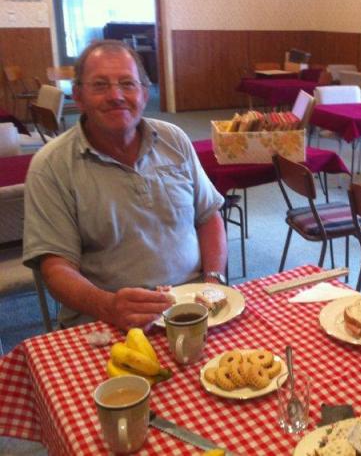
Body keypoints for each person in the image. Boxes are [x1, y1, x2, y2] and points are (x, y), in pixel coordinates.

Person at [23, 40, 228, 331]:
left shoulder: (175, 140)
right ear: (78, 97)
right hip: (105, 321)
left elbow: (208, 215)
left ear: (145, 94)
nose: (116, 95)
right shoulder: (51, 165)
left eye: (127, 84)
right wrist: (106, 305)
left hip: (193, 307)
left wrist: (214, 282)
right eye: (100, 85)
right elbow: (55, 266)